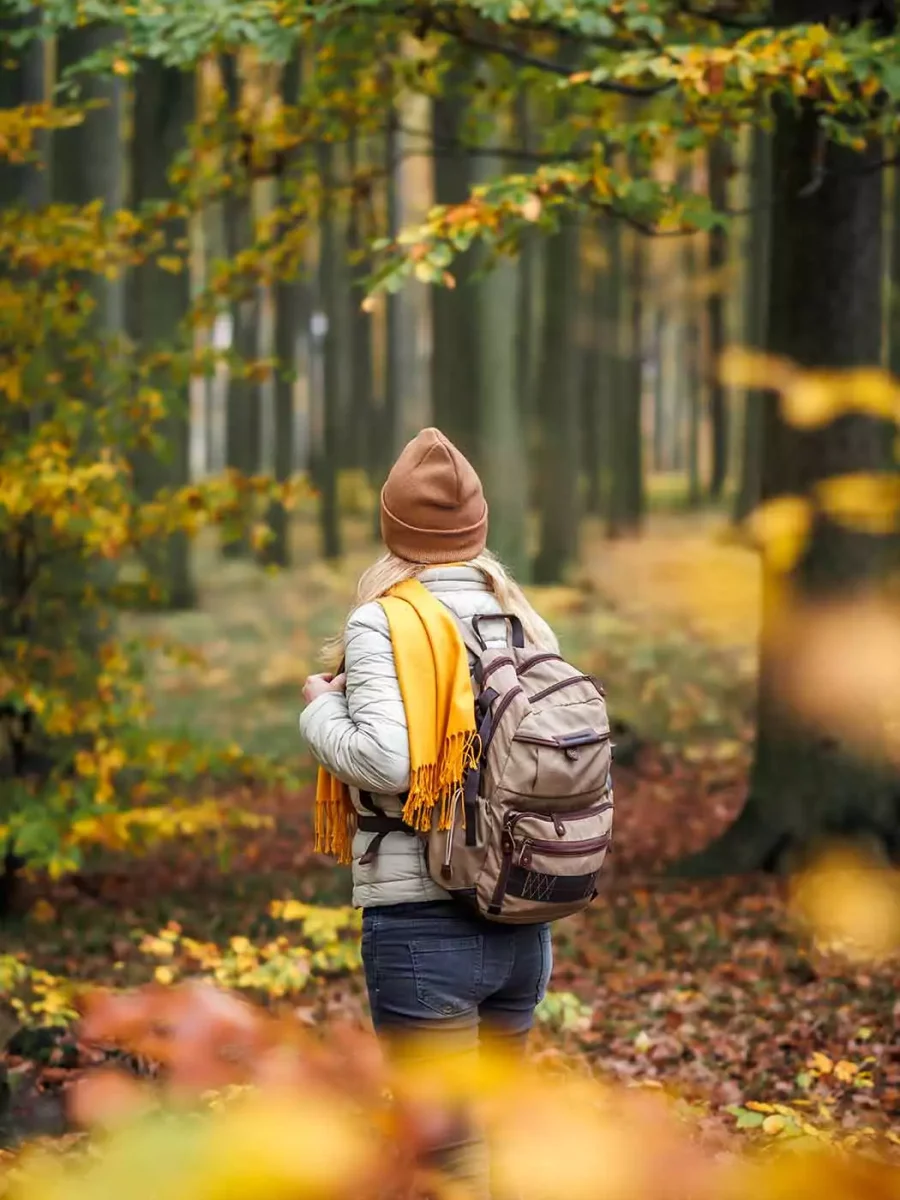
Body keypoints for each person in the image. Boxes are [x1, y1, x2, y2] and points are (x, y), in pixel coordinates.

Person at [299, 428, 558, 1194]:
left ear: (394, 531)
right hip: (521, 918)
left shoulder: (383, 621)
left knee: (445, 1164)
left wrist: (319, 710)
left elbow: (387, 760)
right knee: (492, 1149)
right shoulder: (520, 617)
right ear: (476, 530)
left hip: (425, 923)